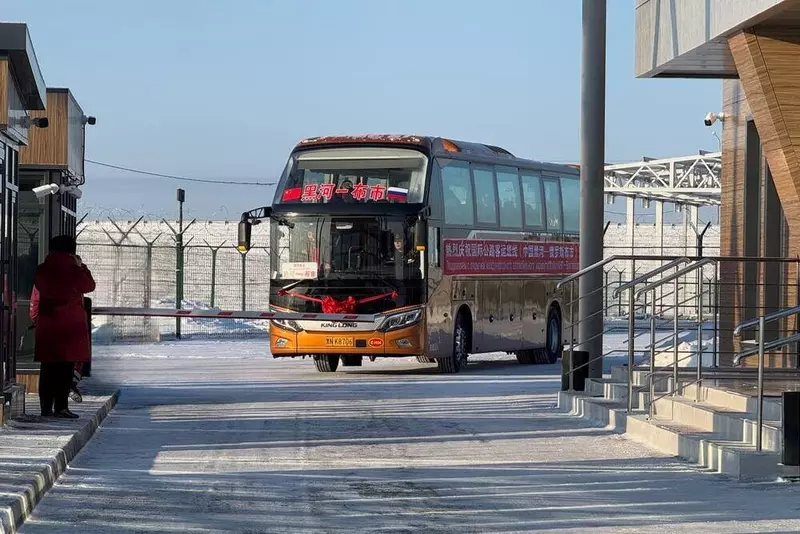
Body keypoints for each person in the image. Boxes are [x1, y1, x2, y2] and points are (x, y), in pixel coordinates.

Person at [34, 235, 95, 419]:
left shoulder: (43, 269)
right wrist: (81, 266)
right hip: (70, 326)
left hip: (48, 324)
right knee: (65, 369)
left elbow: (39, 286)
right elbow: (89, 285)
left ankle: (45, 407)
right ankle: (61, 407)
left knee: (48, 368)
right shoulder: (73, 269)